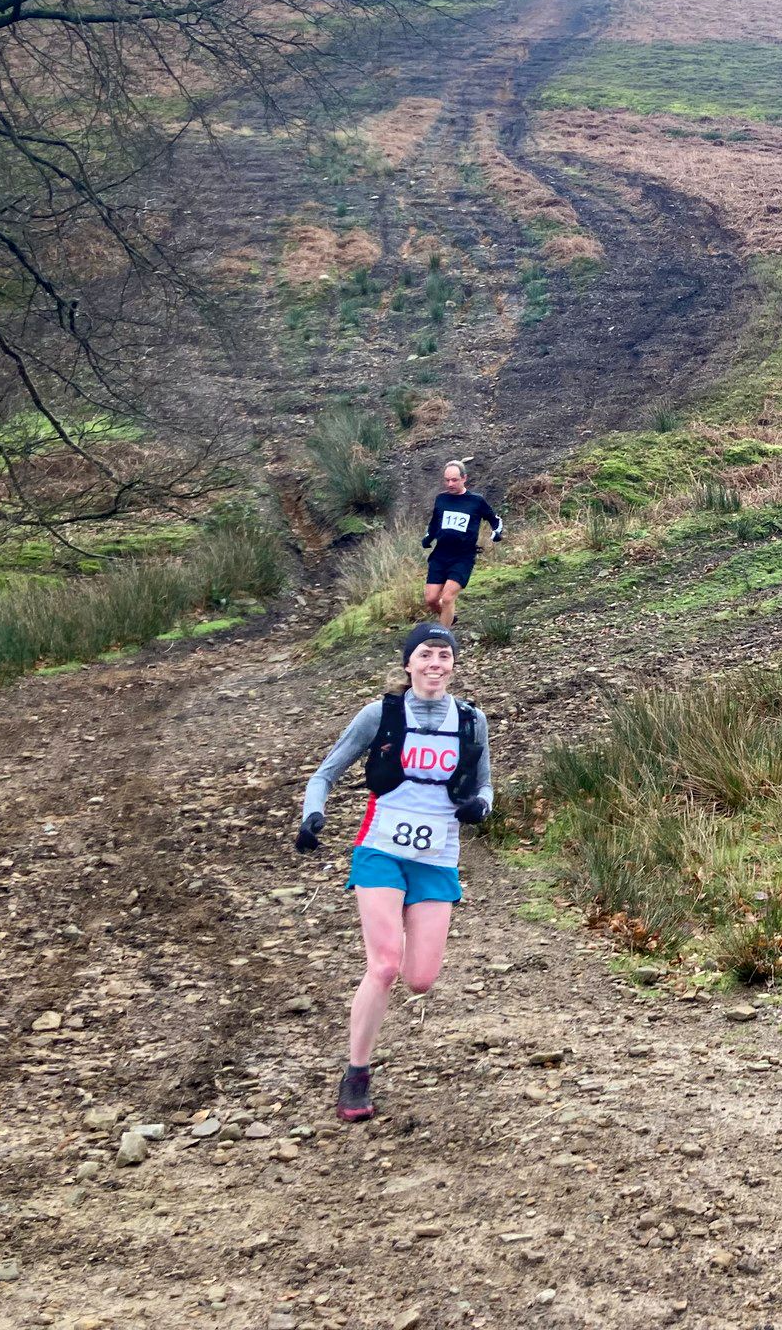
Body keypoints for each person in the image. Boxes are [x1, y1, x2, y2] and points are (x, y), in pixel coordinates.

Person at [296, 622, 494, 1121]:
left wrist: (480, 809)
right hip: (380, 848)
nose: (435, 664)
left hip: (437, 855)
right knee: (384, 965)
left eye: (444, 656)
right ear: (408, 664)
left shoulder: (471, 720)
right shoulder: (380, 714)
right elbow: (326, 771)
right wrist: (311, 815)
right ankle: (356, 1073)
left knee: (421, 979)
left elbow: (487, 786)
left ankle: (362, 1061)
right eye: (425, 655)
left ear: (452, 665)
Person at [420, 461, 502, 627]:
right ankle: (449, 616)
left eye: (454, 480)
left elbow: (495, 520)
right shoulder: (441, 499)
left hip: (463, 557)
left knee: (448, 598)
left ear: (464, 478)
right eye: (447, 480)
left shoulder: (476, 501)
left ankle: (443, 639)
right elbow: (435, 523)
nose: (450, 484)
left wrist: (496, 533)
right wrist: (428, 538)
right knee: (431, 600)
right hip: (440, 555)